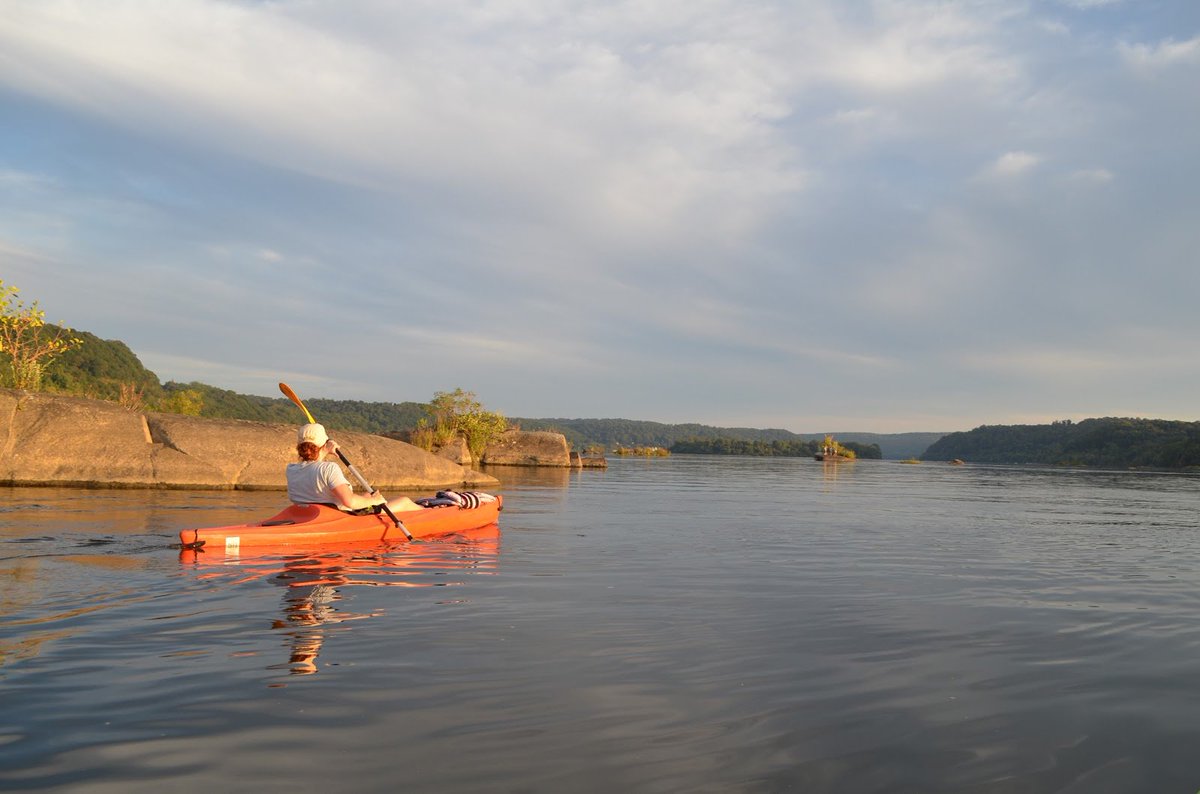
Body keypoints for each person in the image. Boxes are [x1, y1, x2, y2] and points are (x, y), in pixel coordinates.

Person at [286, 423, 421, 514]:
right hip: (341, 518)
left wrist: (369, 498)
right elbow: (349, 502)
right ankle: (431, 513)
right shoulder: (329, 468)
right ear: (324, 443)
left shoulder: (291, 469)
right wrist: (375, 501)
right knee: (404, 501)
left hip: (312, 515)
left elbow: (313, 468)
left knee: (369, 494)